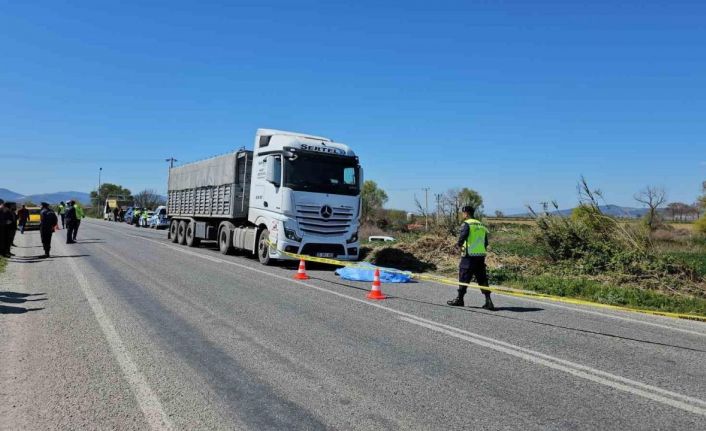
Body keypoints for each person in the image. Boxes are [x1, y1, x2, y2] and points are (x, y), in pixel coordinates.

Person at [447, 205, 495, 311]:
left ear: (467, 213)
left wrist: (457, 247)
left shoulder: (467, 224)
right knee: (482, 278)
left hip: (468, 256)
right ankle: (488, 301)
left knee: (464, 277)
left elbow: (462, 238)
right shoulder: (481, 225)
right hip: (480, 256)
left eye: (463, 213)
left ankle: (459, 299)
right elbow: (486, 242)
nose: (462, 214)